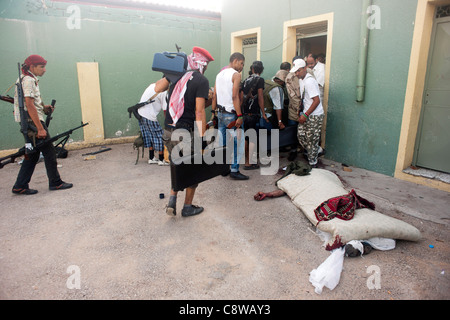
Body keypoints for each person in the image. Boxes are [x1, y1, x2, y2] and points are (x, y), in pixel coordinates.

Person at [163, 46, 214, 217]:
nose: (206, 68)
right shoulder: (201, 80)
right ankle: (187, 207)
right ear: (203, 64)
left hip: (169, 131)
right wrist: (201, 139)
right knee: (193, 169)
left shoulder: (177, 76)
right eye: (206, 65)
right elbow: (199, 112)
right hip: (186, 133)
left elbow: (186, 105)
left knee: (176, 165)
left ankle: (172, 200)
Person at [11, 54, 72, 195]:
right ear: (32, 67)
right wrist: (39, 128)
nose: (44, 70)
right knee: (50, 152)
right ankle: (55, 183)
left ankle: (20, 185)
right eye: (41, 67)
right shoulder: (28, 80)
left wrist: (44, 108)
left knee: (32, 154)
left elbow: (31, 103)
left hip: (29, 120)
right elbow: (29, 104)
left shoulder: (25, 78)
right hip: (33, 122)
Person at [213, 52, 247, 180]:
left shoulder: (219, 74)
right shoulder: (235, 75)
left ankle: (223, 168)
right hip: (231, 114)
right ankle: (234, 169)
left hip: (220, 113)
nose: (242, 66)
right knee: (238, 142)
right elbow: (235, 96)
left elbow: (215, 95)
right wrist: (239, 115)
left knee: (223, 142)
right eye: (242, 63)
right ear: (236, 60)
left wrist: (213, 112)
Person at [291, 58, 324, 168]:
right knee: (301, 136)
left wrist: (306, 115)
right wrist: (301, 111)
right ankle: (317, 150)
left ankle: (313, 163)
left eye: (298, 71)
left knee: (311, 140)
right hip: (306, 113)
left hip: (314, 115)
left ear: (305, 68)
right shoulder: (302, 80)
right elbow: (305, 98)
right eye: (295, 71)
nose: (296, 73)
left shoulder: (310, 81)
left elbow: (316, 100)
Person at [240, 61, 265, 170]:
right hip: (253, 113)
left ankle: (246, 160)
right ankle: (248, 163)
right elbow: (260, 97)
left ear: (252, 69)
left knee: (246, 137)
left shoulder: (245, 80)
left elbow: (241, 97)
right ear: (261, 70)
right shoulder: (260, 80)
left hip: (244, 113)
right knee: (252, 138)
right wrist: (263, 112)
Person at [137, 81, 169, 166]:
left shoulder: (152, 85)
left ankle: (151, 158)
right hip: (149, 115)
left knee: (149, 135)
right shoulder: (164, 92)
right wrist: (168, 124)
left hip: (140, 114)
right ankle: (161, 160)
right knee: (160, 136)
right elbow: (165, 111)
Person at [285, 56, 303, 161]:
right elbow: (292, 96)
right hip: (294, 109)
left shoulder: (309, 74)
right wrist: (299, 109)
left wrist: (305, 110)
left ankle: (306, 151)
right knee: (293, 131)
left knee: (306, 132)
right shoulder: (289, 77)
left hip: (307, 110)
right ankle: (293, 151)